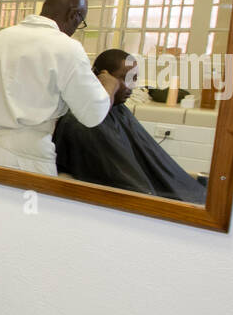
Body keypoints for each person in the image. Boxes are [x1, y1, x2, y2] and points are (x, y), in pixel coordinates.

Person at [0, 0, 118, 175]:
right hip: (25, 159)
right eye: (80, 21)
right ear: (74, 15)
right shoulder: (66, 48)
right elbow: (93, 114)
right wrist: (110, 85)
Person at [53, 49, 207, 203]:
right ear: (104, 76)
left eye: (134, 79)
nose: (132, 87)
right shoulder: (82, 121)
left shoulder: (118, 109)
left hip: (172, 192)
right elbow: (128, 183)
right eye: (126, 79)